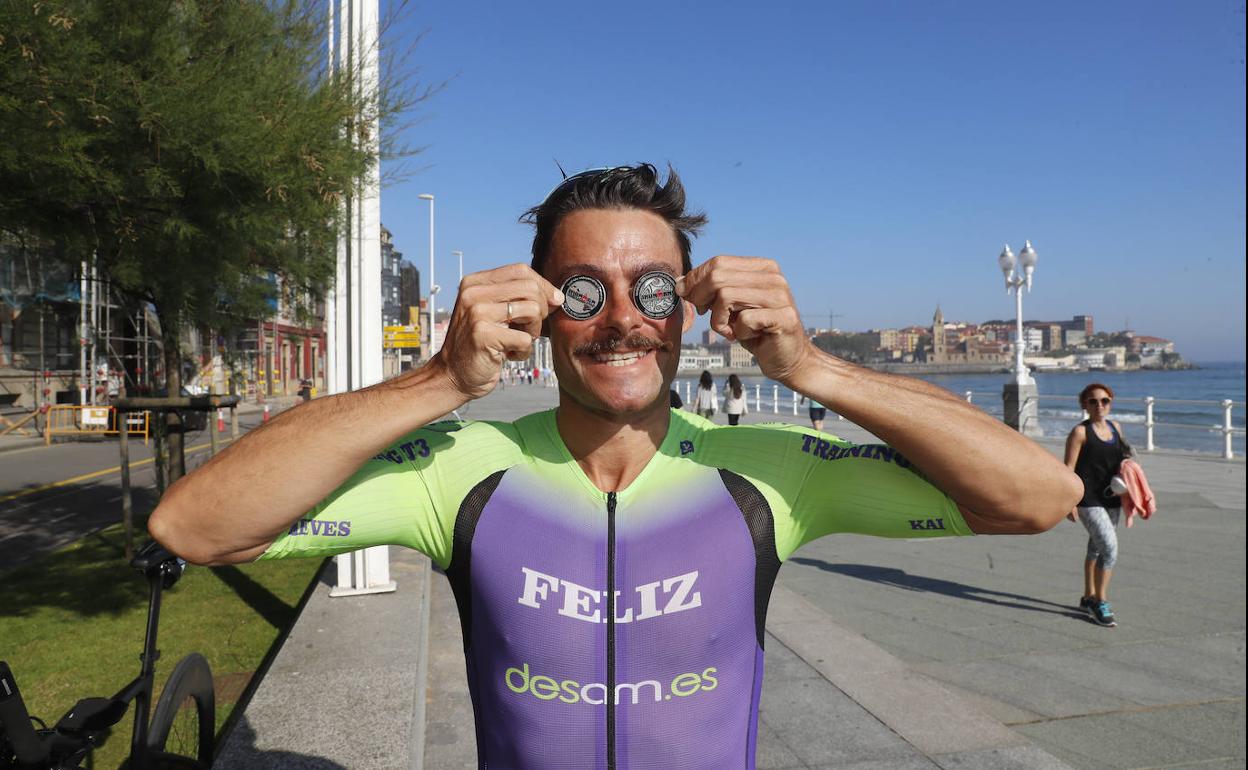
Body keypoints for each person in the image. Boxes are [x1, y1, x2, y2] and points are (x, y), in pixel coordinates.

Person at [150, 164, 1081, 769]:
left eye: (655, 290)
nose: (622, 318)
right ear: (543, 309)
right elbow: (193, 527)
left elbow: (1040, 497)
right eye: (585, 292)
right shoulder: (464, 470)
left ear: (689, 309)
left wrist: (810, 368)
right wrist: (440, 380)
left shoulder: (763, 471)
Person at [1064, 382, 1130, 627]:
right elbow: (1068, 470)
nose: (1099, 405)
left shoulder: (1116, 428)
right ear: (1084, 404)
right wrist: (1069, 503)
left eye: (1104, 401)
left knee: (1096, 549)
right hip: (1087, 499)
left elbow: (1123, 460)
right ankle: (1101, 602)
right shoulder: (1080, 432)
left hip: (1112, 498)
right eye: (1093, 401)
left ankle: (1087, 596)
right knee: (1110, 549)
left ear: (1110, 402)